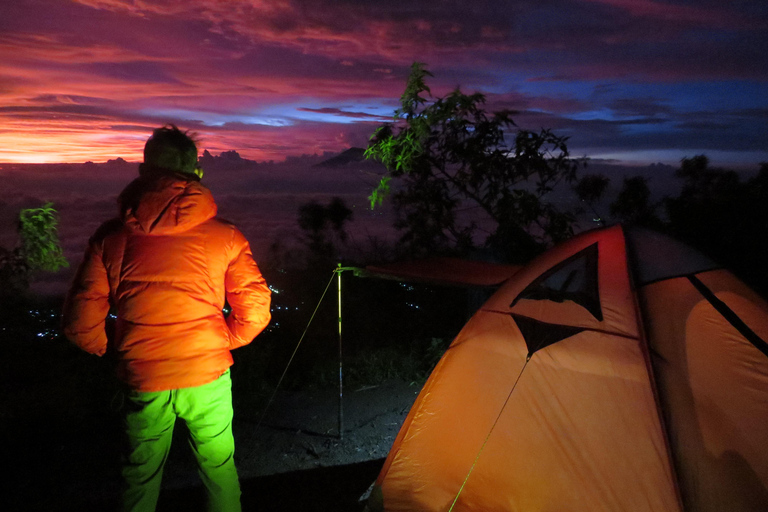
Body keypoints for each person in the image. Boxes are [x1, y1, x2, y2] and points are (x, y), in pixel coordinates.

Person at [62, 125, 271, 512]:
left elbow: (80, 321)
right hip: (208, 376)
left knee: (139, 477)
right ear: (197, 173)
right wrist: (223, 341)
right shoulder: (225, 236)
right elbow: (256, 308)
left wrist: (117, 351)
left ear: (143, 171)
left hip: (143, 376)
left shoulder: (109, 238)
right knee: (219, 468)